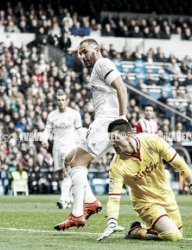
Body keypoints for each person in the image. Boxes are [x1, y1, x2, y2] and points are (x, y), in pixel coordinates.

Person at [97, 119, 192, 242]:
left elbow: (179, 163)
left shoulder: (151, 140)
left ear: (128, 135)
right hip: (145, 202)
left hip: (166, 195)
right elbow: (114, 197)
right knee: (173, 235)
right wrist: (112, 220)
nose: (112, 142)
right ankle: (136, 232)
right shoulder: (116, 165)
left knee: (178, 233)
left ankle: (140, 227)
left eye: (115, 138)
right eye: (110, 139)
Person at [54, 38, 127, 230]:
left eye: (85, 51)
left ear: (97, 49)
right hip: (106, 123)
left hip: (106, 123)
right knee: (69, 160)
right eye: (80, 53)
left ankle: (77, 214)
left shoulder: (102, 63)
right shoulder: (98, 69)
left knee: (77, 163)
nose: (82, 56)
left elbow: (122, 87)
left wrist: (123, 119)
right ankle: (91, 201)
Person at [41, 89, 84, 209]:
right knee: (60, 174)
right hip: (57, 147)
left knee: (66, 173)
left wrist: (84, 142)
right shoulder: (52, 115)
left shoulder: (74, 114)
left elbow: (79, 130)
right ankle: (67, 199)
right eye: (59, 100)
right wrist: (44, 140)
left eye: (63, 100)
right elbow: (47, 129)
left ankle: (63, 198)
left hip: (70, 146)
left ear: (67, 101)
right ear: (56, 101)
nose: (61, 102)